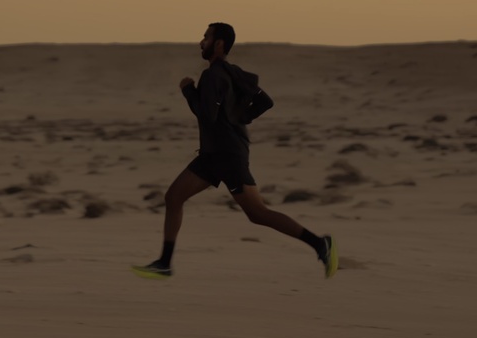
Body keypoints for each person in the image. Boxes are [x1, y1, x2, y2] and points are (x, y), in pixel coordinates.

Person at [131, 22, 338, 280]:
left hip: (227, 156)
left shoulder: (212, 76)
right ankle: (164, 262)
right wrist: (238, 118)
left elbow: (206, 115)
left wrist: (188, 91)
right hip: (214, 155)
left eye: (205, 37)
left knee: (258, 213)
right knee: (173, 198)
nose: (201, 42)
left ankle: (321, 244)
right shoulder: (234, 73)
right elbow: (265, 101)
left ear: (218, 44)